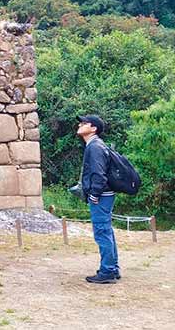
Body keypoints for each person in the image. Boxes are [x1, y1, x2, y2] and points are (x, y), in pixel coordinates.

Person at [77, 114, 120, 284]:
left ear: (93, 128)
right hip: (105, 195)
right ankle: (112, 268)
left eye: (84, 123)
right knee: (106, 230)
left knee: (102, 231)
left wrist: (94, 194)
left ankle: (107, 271)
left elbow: (99, 175)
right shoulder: (96, 145)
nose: (80, 124)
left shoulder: (94, 147)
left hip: (101, 196)